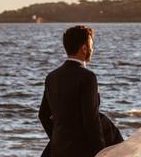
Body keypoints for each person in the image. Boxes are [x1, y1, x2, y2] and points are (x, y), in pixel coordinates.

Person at [39, 26, 124, 157]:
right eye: (91, 45)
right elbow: (91, 119)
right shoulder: (87, 77)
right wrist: (99, 151)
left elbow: (43, 115)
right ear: (84, 49)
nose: (92, 49)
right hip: (83, 149)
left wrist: (57, 138)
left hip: (58, 148)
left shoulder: (52, 76)